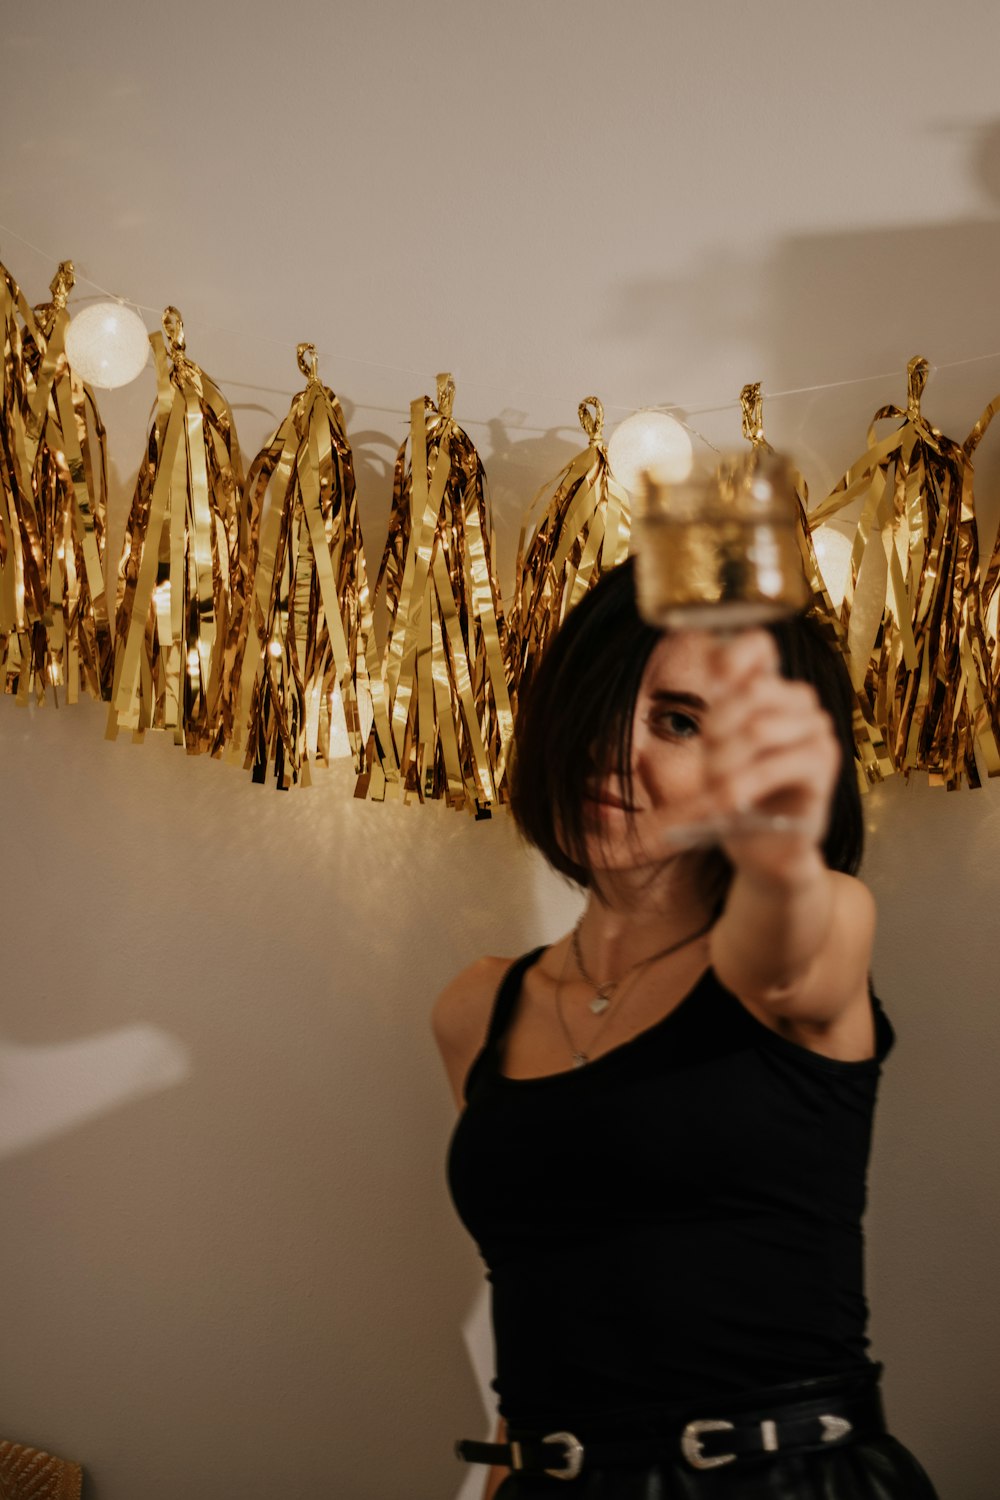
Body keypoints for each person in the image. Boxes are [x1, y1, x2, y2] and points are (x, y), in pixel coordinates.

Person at [434, 558, 939, 1499]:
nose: (609, 749)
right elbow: (540, 1303)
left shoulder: (814, 930)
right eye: (598, 704)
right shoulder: (476, 1006)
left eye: (677, 721)